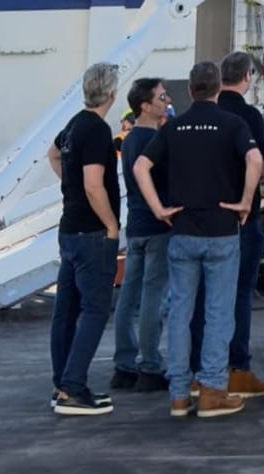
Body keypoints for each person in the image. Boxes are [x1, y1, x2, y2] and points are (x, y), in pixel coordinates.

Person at [135, 59, 263, 421]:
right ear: (219, 87)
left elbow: (140, 166)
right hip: (222, 231)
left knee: (180, 312)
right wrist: (245, 201)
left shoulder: (173, 127)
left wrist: (159, 209)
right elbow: (255, 160)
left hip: (183, 231)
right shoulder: (233, 123)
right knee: (219, 313)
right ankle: (212, 391)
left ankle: (179, 395)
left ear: (190, 91)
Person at [45, 61, 122, 416]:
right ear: (112, 93)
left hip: (69, 229)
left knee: (66, 311)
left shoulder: (75, 124)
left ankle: (62, 383)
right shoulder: (97, 130)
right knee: (95, 310)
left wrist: (69, 183)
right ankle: (73, 388)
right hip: (92, 233)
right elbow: (94, 184)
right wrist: (111, 225)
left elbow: (53, 154)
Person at [217, 50, 264, 398]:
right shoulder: (249, 116)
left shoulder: (208, 111)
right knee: (239, 295)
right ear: (247, 76)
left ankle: (202, 370)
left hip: (207, 218)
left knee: (205, 297)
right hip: (243, 214)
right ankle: (238, 367)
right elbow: (261, 165)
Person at [111, 77, 172, 393]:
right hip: (158, 226)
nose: (167, 101)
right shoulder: (157, 142)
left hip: (135, 225)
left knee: (129, 295)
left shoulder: (129, 140)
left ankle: (123, 365)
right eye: (161, 97)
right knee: (153, 296)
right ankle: (149, 365)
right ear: (145, 106)